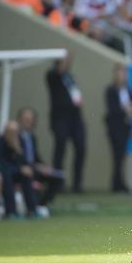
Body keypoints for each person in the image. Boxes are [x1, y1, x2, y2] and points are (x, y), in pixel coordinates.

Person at [46, 56, 86, 193]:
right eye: (63, 62)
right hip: (60, 118)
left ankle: (77, 184)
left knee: (81, 148)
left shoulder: (70, 77)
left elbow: (75, 94)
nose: (67, 64)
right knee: (60, 150)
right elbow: (56, 73)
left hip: (75, 118)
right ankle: (58, 182)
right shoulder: (52, 76)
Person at [18, 108, 64, 217]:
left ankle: (42, 204)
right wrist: (35, 166)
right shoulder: (15, 137)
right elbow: (18, 157)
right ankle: (33, 207)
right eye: (26, 119)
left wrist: (45, 167)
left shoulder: (32, 137)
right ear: (20, 120)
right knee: (31, 177)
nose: (29, 122)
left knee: (58, 177)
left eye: (31, 119)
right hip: (22, 168)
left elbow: (36, 157)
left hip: (34, 168)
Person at [105, 64, 132, 192]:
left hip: (126, 128)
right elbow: (112, 109)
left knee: (121, 157)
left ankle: (119, 184)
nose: (123, 76)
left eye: (125, 73)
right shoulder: (110, 90)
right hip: (115, 129)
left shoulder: (128, 89)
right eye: (121, 73)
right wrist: (125, 109)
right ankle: (117, 184)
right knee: (117, 157)